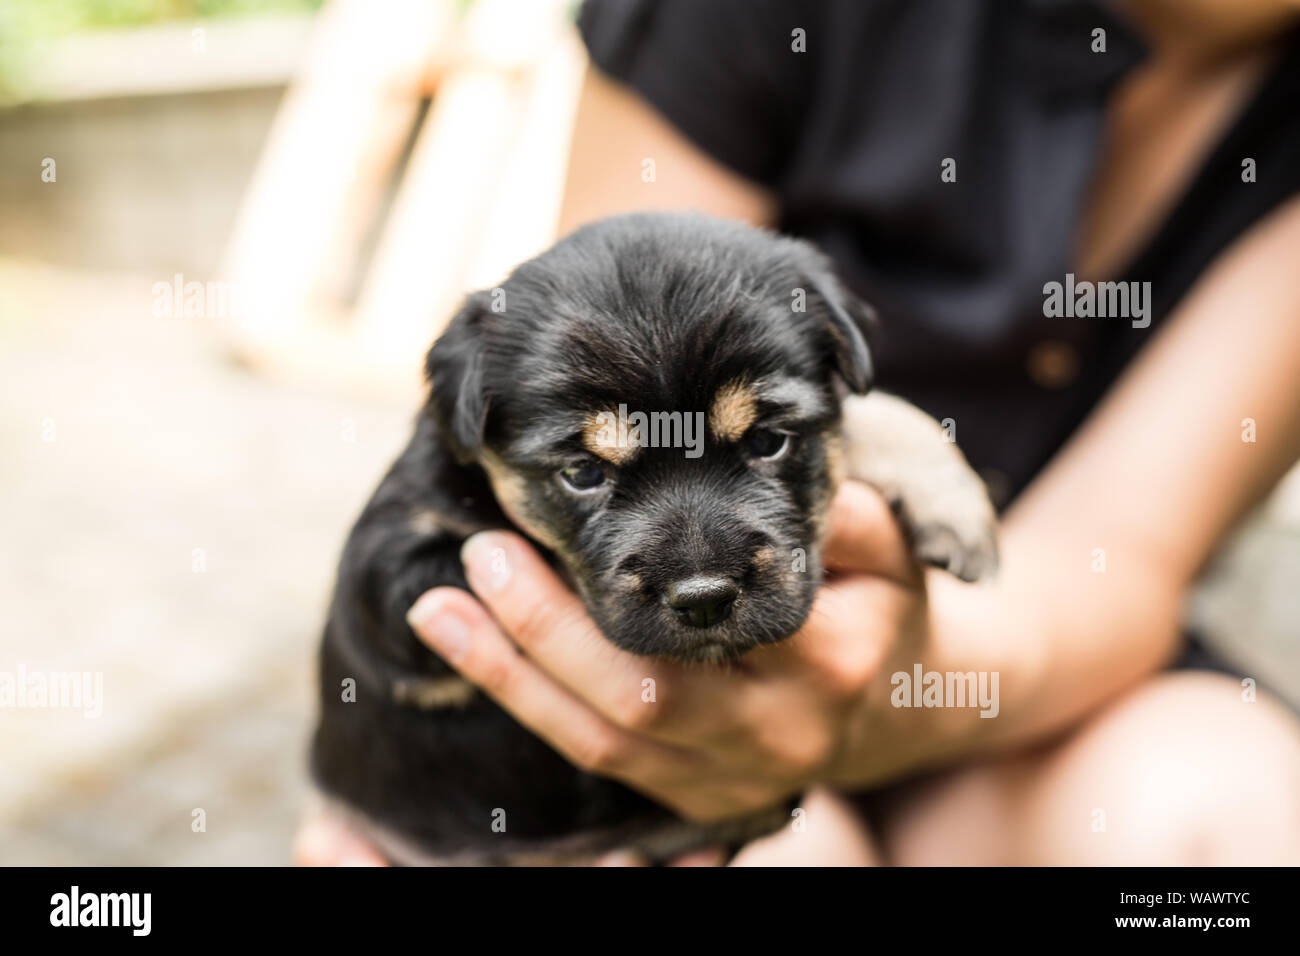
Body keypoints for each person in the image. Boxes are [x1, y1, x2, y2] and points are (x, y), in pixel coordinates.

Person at [297, 0, 1300, 865]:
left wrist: (880, 699)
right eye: (595, 471)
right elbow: (624, 334)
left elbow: (1119, 552)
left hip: (1035, 683)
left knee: (1239, 820)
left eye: (768, 438)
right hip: (648, 740)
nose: (693, 560)